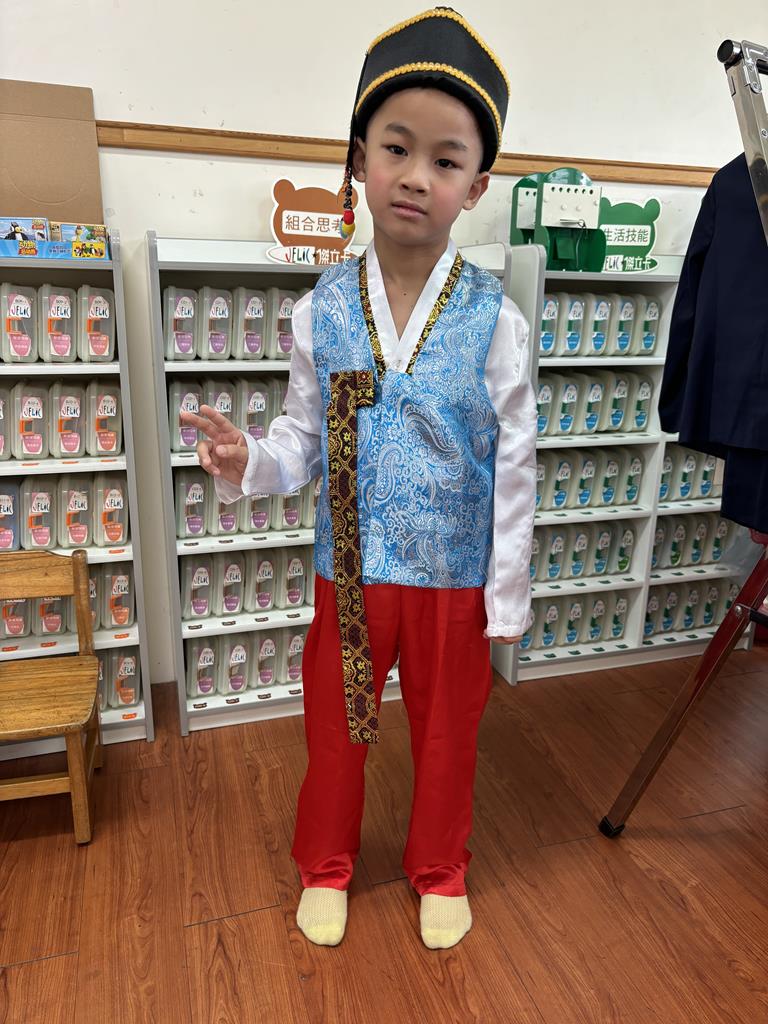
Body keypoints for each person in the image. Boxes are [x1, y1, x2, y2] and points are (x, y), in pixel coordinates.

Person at [181, 7, 536, 951]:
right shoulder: (323, 309)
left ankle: (441, 867)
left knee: (448, 733)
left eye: (446, 160)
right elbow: (303, 437)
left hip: (454, 575)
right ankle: (326, 863)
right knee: (337, 729)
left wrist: (506, 590)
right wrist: (250, 461)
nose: (416, 175)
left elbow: (514, 462)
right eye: (396, 147)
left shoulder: (496, 319)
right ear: (358, 160)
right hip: (350, 572)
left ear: (475, 186)